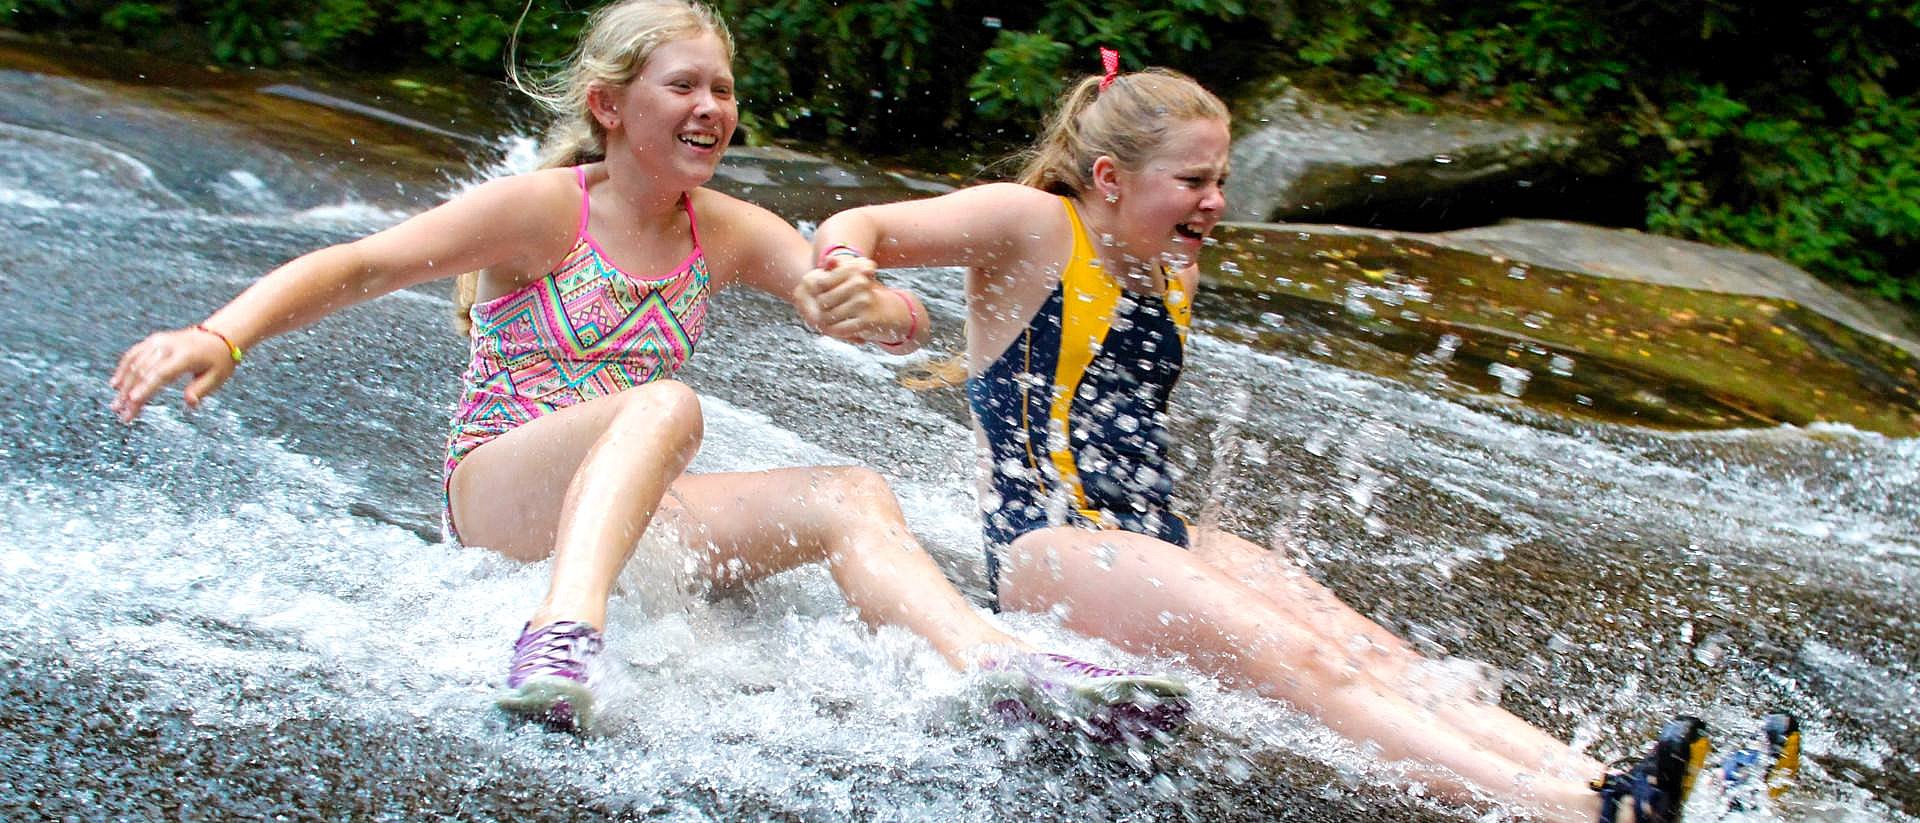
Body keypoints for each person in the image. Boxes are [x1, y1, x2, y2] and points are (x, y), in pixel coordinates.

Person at [106, 0, 1189, 740]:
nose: (712, 106)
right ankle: (561, 636)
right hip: (501, 490)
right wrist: (220, 336)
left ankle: (991, 664)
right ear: (611, 107)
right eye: (684, 85)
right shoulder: (544, 210)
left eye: (723, 87)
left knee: (849, 491)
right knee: (665, 402)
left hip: (637, 496)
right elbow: (362, 262)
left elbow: (869, 303)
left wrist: (874, 306)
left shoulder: (723, 226)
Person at [802, 57, 1778, 822]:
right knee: (1314, 668)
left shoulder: (1169, 262)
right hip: (1050, 551)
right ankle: (1585, 811)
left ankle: (1624, 778)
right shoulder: (1034, 226)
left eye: (1222, 179)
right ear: (1109, 177)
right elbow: (862, 220)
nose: (1216, 201)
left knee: (1385, 660)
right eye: (1194, 180)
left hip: (1154, 538)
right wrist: (849, 273)